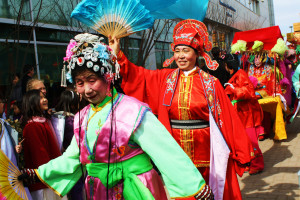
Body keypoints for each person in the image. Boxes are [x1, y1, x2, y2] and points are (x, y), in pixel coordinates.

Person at [18, 33, 214, 200]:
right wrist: (38, 174)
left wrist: (195, 186)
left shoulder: (132, 110)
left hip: (135, 188)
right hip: (99, 190)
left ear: (108, 77)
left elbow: (165, 150)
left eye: (92, 80)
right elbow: (72, 158)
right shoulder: (81, 116)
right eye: (79, 82)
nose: (86, 90)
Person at [109, 19, 253, 200]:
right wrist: (119, 55)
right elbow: (139, 77)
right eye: (177, 51)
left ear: (197, 53)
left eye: (186, 50)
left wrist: (241, 150)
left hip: (206, 150)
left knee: (209, 192)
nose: (181, 56)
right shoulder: (165, 79)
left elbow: (227, 117)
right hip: (174, 150)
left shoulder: (210, 83)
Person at [223, 54, 264, 175]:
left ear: (227, 65)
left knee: (251, 140)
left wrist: (233, 89)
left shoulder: (240, 74)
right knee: (242, 140)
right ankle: (247, 162)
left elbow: (249, 92)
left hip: (247, 113)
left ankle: (257, 164)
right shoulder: (237, 74)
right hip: (240, 112)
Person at [21, 89, 64, 200]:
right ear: (32, 102)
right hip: (44, 181)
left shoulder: (43, 122)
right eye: (40, 98)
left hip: (52, 177)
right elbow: (39, 157)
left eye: (44, 96)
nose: (45, 100)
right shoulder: (32, 126)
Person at [54, 89, 85, 200]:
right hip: (75, 159)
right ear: (73, 105)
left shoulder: (56, 117)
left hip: (62, 158)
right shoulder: (71, 120)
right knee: (77, 189)